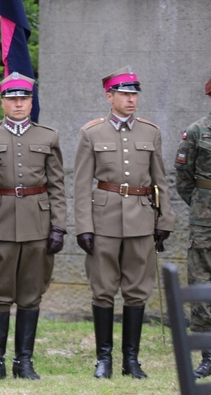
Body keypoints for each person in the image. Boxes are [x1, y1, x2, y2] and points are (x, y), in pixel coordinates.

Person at [0, 72, 66, 380]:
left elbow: (57, 185)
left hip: (38, 221)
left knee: (31, 293)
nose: (19, 104)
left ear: (31, 102)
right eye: (12, 99)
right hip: (1, 221)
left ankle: (24, 360)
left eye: (24, 99)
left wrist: (58, 225)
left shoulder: (47, 136)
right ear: (3, 102)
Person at [74, 66, 175, 380]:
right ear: (110, 96)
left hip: (142, 219)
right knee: (103, 291)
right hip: (104, 219)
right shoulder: (92, 132)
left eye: (134, 93)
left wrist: (165, 219)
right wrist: (84, 226)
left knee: (136, 291)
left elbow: (161, 180)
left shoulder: (150, 132)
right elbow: (80, 184)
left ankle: (131, 360)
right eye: (125, 93)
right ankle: (103, 360)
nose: (131, 99)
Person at [174, 76, 211, 379]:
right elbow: (184, 178)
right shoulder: (197, 131)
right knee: (202, 283)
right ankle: (209, 355)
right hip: (205, 219)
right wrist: (202, 203)